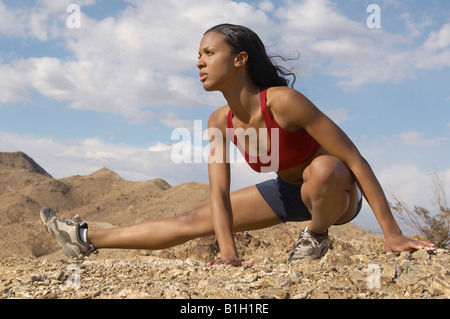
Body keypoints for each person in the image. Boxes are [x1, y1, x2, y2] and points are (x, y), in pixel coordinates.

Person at [40, 24, 434, 266]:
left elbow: (356, 161)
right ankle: (84, 239)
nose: (199, 62)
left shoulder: (283, 102)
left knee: (324, 168)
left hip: (336, 194)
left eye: (209, 53)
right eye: (198, 55)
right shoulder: (219, 121)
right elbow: (219, 193)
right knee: (192, 220)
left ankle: (315, 235)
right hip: (287, 192)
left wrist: (392, 234)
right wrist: (228, 252)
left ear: (241, 59)